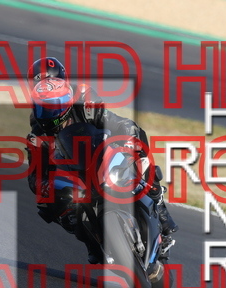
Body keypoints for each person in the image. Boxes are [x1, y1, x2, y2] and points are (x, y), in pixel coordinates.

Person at [25, 57, 177, 263]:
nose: (46, 88)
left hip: (102, 154)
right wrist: (45, 186)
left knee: (139, 147)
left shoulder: (84, 98)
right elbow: (34, 174)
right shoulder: (38, 123)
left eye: (51, 82)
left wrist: (129, 138)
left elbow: (114, 122)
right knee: (50, 207)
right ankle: (92, 241)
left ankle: (158, 202)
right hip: (73, 171)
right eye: (40, 84)